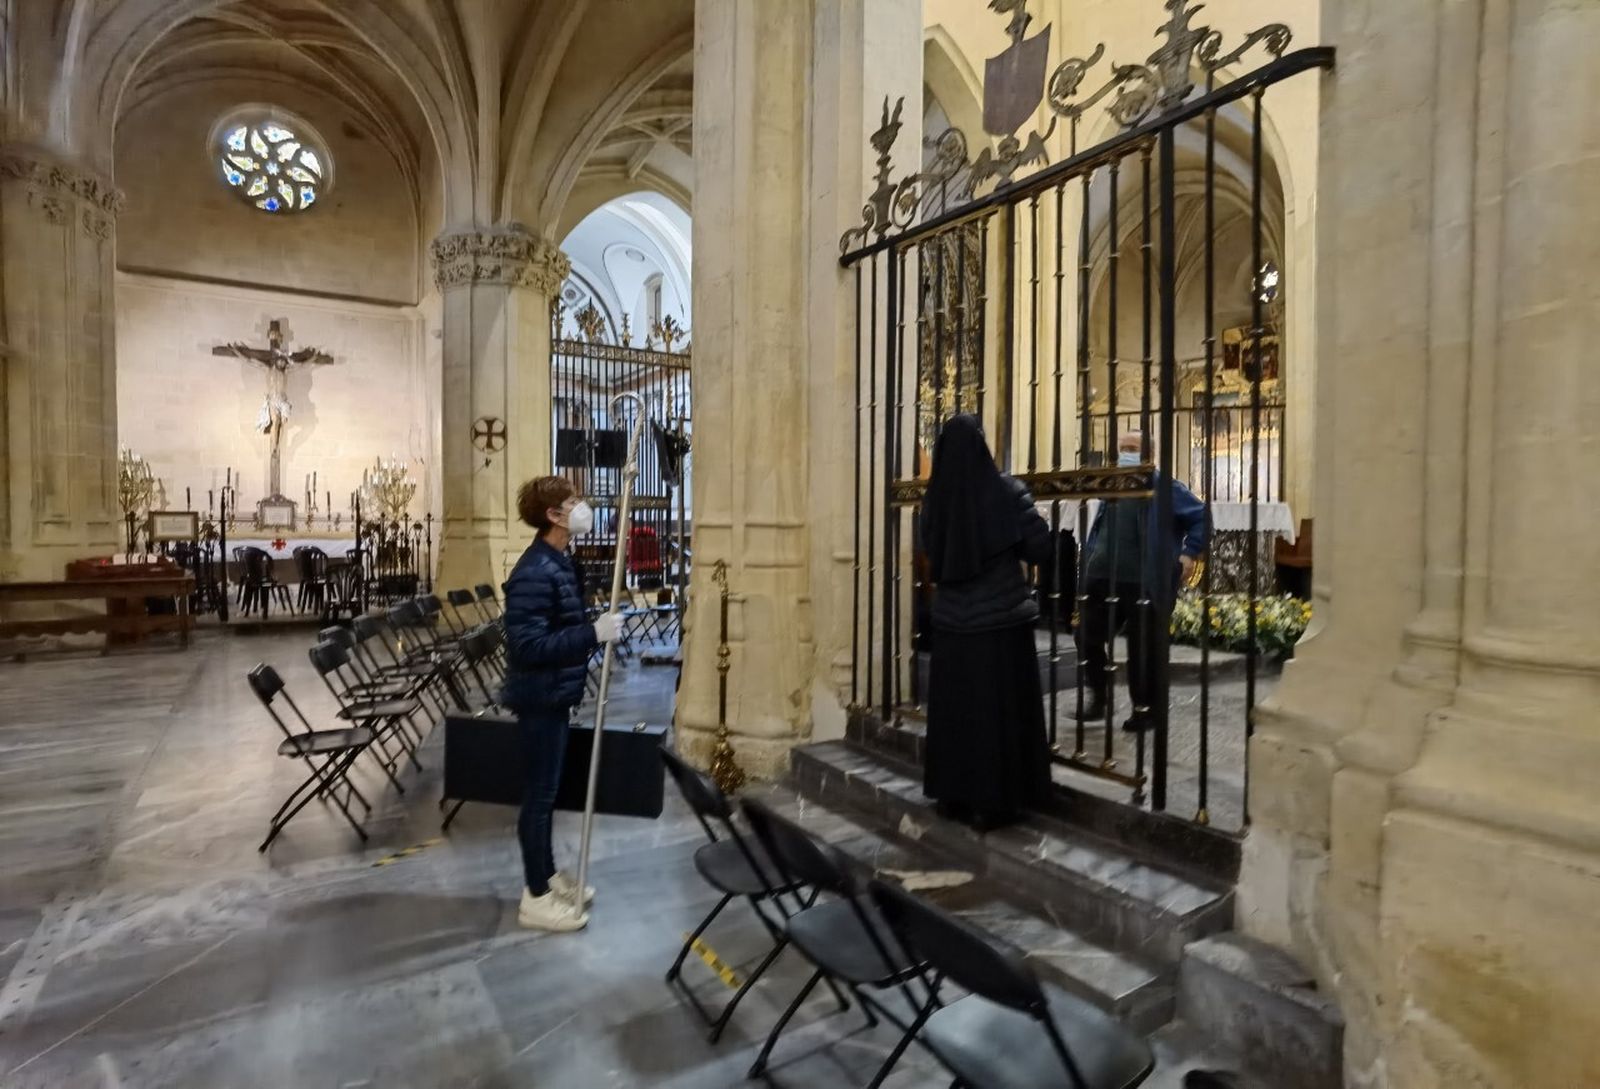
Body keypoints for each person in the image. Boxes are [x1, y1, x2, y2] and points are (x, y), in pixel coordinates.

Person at [500, 476, 623, 932]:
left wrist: (591, 627)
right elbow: (528, 646)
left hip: (554, 693)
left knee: (547, 795)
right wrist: (592, 634)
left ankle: (548, 877)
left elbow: (559, 622)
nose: (581, 506)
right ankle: (535, 896)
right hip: (539, 697)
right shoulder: (535, 570)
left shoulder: (558, 560)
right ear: (554, 515)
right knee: (539, 798)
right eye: (573, 501)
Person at [920, 414, 1053, 830]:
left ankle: (952, 796)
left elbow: (932, 551)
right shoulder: (1007, 491)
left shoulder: (934, 501)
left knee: (957, 715)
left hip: (951, 623)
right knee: (997, 715)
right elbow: (1040, 548)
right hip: (999, 624)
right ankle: (995, 805)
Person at [1076, 431, 1209, 730]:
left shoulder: (1165, 487)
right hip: (1102, 576)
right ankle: (1099, 696)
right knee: (1085, 636)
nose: (1126, 453)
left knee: (1142, 650)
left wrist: (1189, 553)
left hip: (1143, 580)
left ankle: (1144, 711)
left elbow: (1202, 516)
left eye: (1132, 448)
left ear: (1148, 454)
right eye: (1122, 447)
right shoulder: (1113, 483)